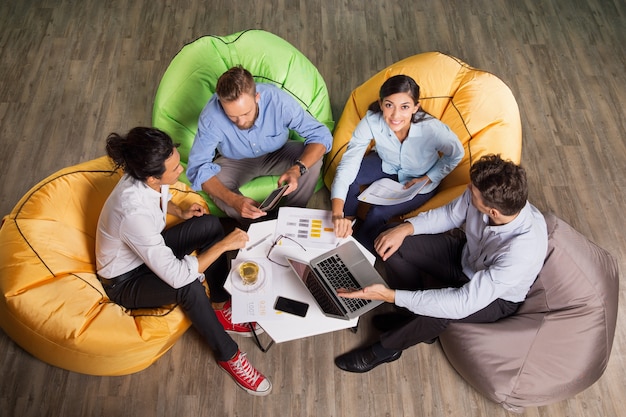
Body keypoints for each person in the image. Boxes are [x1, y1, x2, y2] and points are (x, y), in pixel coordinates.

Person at [95, 127, 272, 396]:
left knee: (210, 225)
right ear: (152, 176)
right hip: (126, 281)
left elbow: (158, 198)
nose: (181, 170)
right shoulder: (132, 212)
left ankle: (221, 309)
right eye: (175, 167)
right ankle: (229, 355)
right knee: (187, 286)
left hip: (144, 253)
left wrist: (179, 210)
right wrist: (226, 244)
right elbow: (178, 276)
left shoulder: (144, 179)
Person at [333, 154, 548, 373]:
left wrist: (389, 295)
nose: (467, 189)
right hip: (465, 257)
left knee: (441, 311)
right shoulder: (489, 195)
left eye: (472, 193)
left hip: (496, 297)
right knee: (392, 241)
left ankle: (385, 350)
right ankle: (409, 315)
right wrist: (405, 228)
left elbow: (463, 303)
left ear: (493, 212)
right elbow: (449, 215)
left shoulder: (521, 252)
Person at [330, 74, 464, 252]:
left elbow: (456, 154)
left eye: (404, 107)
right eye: (389, 105)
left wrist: (428, 178)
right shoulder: (372, 120)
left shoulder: (432, 129)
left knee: (377, 213)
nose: (395, 115)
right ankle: (348, 220)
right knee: (351, 178)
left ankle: (358, 251)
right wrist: (337, 214)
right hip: (387, 164)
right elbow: (347, 165)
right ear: (381, 104)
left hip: (419, 182)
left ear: (416, 107)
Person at [187, 65, 333, 225]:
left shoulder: (278, 101)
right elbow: (198, 167)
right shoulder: (211, 117)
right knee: (215, 184)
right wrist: (234, 200)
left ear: (257, 97)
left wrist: (297, 169)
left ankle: (291, 218)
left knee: (312, 159)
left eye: (245, 113)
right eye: (232, 117)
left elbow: (320, 135)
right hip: (235, 161)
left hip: (279, 152)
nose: (241, 122)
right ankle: (258, 227)